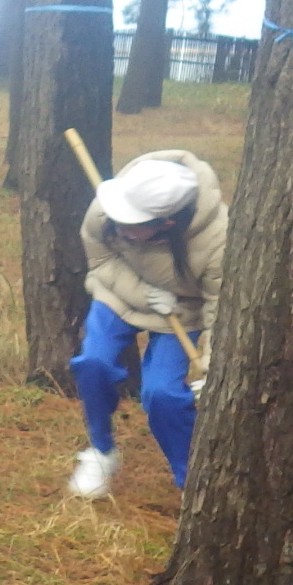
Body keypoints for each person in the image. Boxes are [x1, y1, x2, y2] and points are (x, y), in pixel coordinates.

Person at [69, 149, 224, 497]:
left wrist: (214, 367)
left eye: (133, 225)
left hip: (180, 313)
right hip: (117, 296)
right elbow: (101, 259)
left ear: (167, 224)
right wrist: (143, 292)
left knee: (163, 394)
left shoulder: (217, 241)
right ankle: (101, 451)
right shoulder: (108, 203)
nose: (119, 226)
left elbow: (220, 306)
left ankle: (192, 483)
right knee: (93, 363)